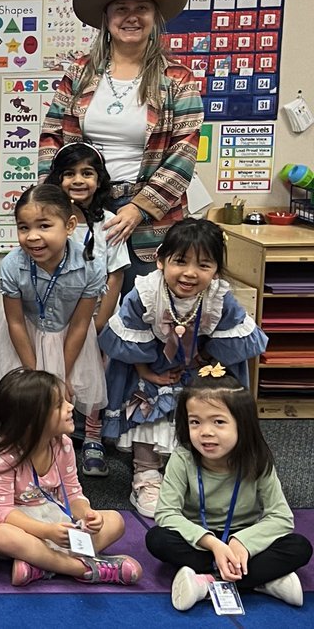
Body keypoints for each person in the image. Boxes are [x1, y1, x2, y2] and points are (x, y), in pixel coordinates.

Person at [38, 0, 202, 294]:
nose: (131, 16)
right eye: (121, 8)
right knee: (82, 312)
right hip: (82, 206)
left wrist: (139, 207)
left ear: (155, 16)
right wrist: (54, 201)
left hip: (152, 219)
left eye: (141, 7)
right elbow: (51, 138)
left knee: (146, 313)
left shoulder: (177, 78)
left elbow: (183, 152)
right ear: (106, 18)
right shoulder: (80, 73)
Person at [100, 218, 268, 518]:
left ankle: (192, 476)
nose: (190, 273)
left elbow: (234, 342)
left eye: (204, 265)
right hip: (153, 368)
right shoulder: (146, 293)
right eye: (181, 261)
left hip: (198, 371)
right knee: (147, 409)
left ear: (216, 269)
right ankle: (147, 475)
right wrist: (144, 371)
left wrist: (210, 370)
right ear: (162, 259)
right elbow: (127, 339)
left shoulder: (219, 297)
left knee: (201, 416)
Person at [147, 368, 312, 610]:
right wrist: (214, 545)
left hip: (246, 541)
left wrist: (241, 542)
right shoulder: (183, 458)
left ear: (241, 424)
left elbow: (281, 517)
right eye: (195, 422)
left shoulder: (257, 459)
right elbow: (166, 513)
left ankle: (206, 581)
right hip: (200, 541)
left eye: (219, 422)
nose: (206, 432)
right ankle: (262, 581)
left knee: (299, 547)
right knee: (157, 539)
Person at [0, 369, 142, 587]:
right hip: (17, 520)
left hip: (49, 514)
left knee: (116, 521)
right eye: (58, 405)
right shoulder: (4, 455)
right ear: (32, 419)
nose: (70, 407)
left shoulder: (63, 444)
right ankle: (82, 568)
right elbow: (3, 511)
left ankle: (40, 565)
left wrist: (88, 514)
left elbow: (73, 492)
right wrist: (46, 532)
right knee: (1, 537)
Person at [44, 142, 130, 478]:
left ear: (99, 179)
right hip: (57, 316)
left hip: (96, 316)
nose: (78, 180)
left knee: (95, 376)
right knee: (57, 375)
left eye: (87, 173)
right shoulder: (50, 220)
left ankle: (92, 435)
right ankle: (56, 433)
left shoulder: (109, 223)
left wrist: (99, 322)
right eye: (69, 173)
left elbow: (116, 273)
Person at [0, 185, 106, 418]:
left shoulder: (91, 266)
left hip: (69, 337)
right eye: (24, 227)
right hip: (24, 337)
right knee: (23, 404)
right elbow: (16, 323)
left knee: (61, 406)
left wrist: (61, 375)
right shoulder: (12, 265)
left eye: (44, 226)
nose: (32, 236)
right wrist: (35, 377)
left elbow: (81, 324)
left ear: (69, 226)